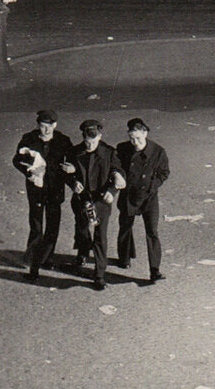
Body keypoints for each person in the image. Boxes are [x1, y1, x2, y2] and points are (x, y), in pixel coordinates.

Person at [61, 119, 126, 291]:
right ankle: (83, 252)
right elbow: (66, 172)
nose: (90, 146)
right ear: (83, 137)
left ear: (100, 137)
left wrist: (112, 191)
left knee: (100, 236)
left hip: (101, 200)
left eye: (94, 142)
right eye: (87, 142)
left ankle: (99, 274)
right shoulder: (75, 152)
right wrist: (73, 183)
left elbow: (117, 172)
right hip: (82, 199)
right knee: (82, 229)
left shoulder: (109, 152)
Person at [11, 109, 72, 282]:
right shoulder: (29, 139)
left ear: (55, 125)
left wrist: (71, 170)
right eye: (42, 126)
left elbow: (72, 161)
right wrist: (28, 173)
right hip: (36, 190)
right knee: (36, 228)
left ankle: (47, 258)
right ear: (38, 125)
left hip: (54, 190)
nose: (45, 130)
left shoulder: (63, 141)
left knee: (53, 227)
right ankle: (33, 265)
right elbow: (16, 160)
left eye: (48, 127)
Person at [116, 118, 170, 284]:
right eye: (132, 138)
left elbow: (164, 172)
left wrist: (152, 185)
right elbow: (116, 165)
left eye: (138, 138)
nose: (135, 142)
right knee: (125, 227)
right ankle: (124, 258)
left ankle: (155, 270)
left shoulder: (157, 151)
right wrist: (118, 176)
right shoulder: (122, 148)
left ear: (145, 134)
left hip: (148, 197)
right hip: (128, 195)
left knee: (152, 232)